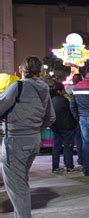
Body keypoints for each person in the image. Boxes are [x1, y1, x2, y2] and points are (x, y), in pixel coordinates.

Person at [0, 56, 56, 218]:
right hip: (34, 140)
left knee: (17, 187)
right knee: (21, 181)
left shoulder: (17, 86)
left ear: (21, 69)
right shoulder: (44, 89)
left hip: (16, 141)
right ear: (39, 71)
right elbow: (51, 117)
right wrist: (35, 128)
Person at [50, 82, 77, 173]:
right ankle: (69, 166)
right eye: (63, 90)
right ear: (59, 91)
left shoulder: (52, 100)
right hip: (66, 127)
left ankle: (55, 166)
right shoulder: (64, 100)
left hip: (55, 126)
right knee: (68, 146)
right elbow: (71, 111)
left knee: (56, 146)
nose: (64, 91)